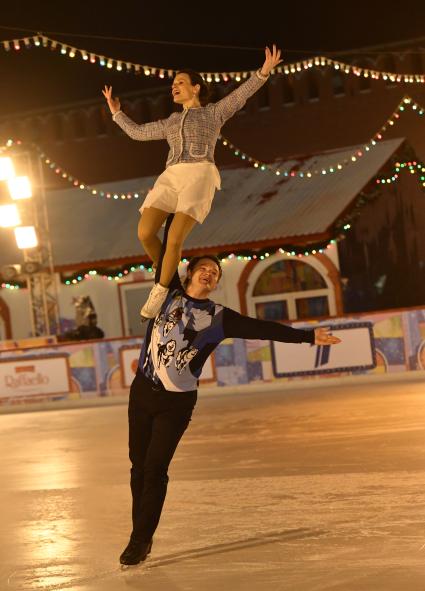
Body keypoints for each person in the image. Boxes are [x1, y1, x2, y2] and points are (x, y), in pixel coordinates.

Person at [119, 216, 341, 565]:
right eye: (204, 268)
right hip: (142, 393)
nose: (210, 273)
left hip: (175, 404)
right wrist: (172, 211)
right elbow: (166, 248)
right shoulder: (167, 294)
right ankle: (140, 532)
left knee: (155, 468)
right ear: (189, 273)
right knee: (138, 467)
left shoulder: (218, 317)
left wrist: (309, 336)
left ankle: (140, 539)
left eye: (215, 272)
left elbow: (263, 328)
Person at [102, 45, 282, 321]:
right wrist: (117, 114)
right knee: (145, 232)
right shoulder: (171, 121)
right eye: (173, 84)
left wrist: (263, 73)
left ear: (196, 88)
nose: (174, 87)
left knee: (174, 238)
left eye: (181, 83)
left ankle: (161, 290)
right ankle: (168, 274)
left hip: (199, 174)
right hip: (171, 176)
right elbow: (138, 133)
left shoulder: (213, 113)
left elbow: (239, 97)